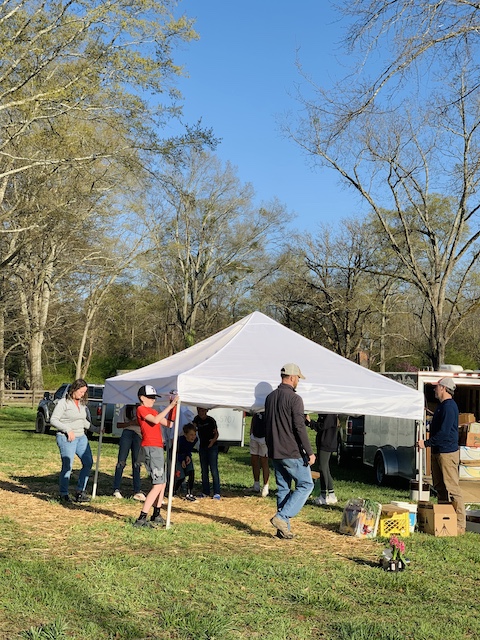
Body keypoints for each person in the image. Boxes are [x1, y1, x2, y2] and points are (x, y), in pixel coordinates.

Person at [265, 363, 315, 539]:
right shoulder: (295, 399)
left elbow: (267, 425)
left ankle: (282, 530)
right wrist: (309, 452)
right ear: (293, 378)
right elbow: (299, 427)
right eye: (298, 379)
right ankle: (282, 517)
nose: (298, 382)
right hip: (291, 451)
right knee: (306, 484)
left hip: (275, 450)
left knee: (283, 488)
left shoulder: (270, 397)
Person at [417, 377, 466, 534]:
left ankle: (459, 525)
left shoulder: (449, 407)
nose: (434, 390)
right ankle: (444, 518)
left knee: (452, 489)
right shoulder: (441, 406)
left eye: (437, 387)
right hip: (438, 452)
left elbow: (444, 433)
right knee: (440, 488)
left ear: (444, 388)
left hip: (447, 453)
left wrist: (426, 443)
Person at [133, 384, 179, 528]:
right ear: (142, 398)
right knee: (158, 483)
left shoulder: (153, 410)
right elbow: (155, 420)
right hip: (150, 448)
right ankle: (142, 517)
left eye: (154, 397)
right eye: (150, 397)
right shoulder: (141, 409)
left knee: (162, 482)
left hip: (158, 447)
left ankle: (156, 513)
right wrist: (170, 406)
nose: (153, 400)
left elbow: (169, 424)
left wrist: (175, 407)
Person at [50, 378, 94, 503]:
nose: (82, 394)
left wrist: (96, 429)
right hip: (66, 438)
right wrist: (67, 429)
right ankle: (63, 493)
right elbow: (54, 420)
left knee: (88, 462)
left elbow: (83, 421)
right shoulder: (63, 403)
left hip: (81, 437)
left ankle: (80, 491)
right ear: (74, 390)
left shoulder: (82, 404)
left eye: (84, 392)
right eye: (80, 391)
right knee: (67, 466)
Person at [112, 404, 146, 501]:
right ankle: (116, 488)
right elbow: (119, 424)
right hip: (127, 433)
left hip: (139, 435)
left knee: (137, 463)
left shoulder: (144, 409)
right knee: (121, 461)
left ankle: (137, 489)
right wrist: (131, 423)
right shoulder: (126, 408)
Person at [305, 413, 338, 506]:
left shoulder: (330, 415)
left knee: (322, 468)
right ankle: (331, 495)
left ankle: (323, 496)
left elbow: (321, 427)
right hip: (323, 443)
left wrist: (310, 422)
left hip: (326, 444)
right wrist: (309, 423)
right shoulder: (326, 415)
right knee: (325, 468)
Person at [193, 407, 221, 499]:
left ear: (206, 411)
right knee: (204, 470)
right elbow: (193, 428)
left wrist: (212, 441)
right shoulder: (196, 419)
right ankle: (206, 491)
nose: (201, 413)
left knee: (214, 469)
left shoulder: (211, 420)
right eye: (199, 411)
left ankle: (217, 492)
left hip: (212, 446)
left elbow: (216, 434)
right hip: (203, 446)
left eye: (202, 411)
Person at [173, 423, 198, 500]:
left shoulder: (195, 440)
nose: (193, 437)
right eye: (191, 435)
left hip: (186, 457)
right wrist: (181, 459)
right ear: (185, 434)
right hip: (177, 457)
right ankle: (174, 491)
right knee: (181, 476)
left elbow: (188, 449)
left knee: (191, 472)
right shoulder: (180, 440)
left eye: (194, 434)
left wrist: (188, 456)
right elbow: (175, 451)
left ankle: (189, 493)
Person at [249, 412, 270, 497]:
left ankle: (266, 486)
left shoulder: (268, 405)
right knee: (254, 460)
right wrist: (251, 431)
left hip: (264, 437)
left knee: (264, 461)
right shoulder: (257, 404)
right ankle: (256, 484)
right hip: (255, 435)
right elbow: (254, 416)